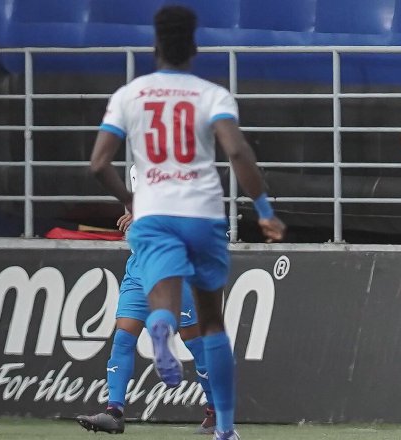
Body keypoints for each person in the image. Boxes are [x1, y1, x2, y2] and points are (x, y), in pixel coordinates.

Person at [90, 6, 285, 440]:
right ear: (194, 48)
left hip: (154, 218)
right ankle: (226, 430)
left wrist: (128, 199)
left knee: (164, 304)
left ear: (154, 47)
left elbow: (98, 162)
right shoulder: (210, 94)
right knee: (212, 323)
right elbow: (237, 153)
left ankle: (160, 325)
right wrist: (265, 210)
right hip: (200, 214)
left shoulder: (130, 95)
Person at [76, 167, 217, 435]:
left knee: (194, 341)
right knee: (123, 336)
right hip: (140, 265)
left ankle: (215, 410)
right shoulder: (136, 168)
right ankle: (114, 412)